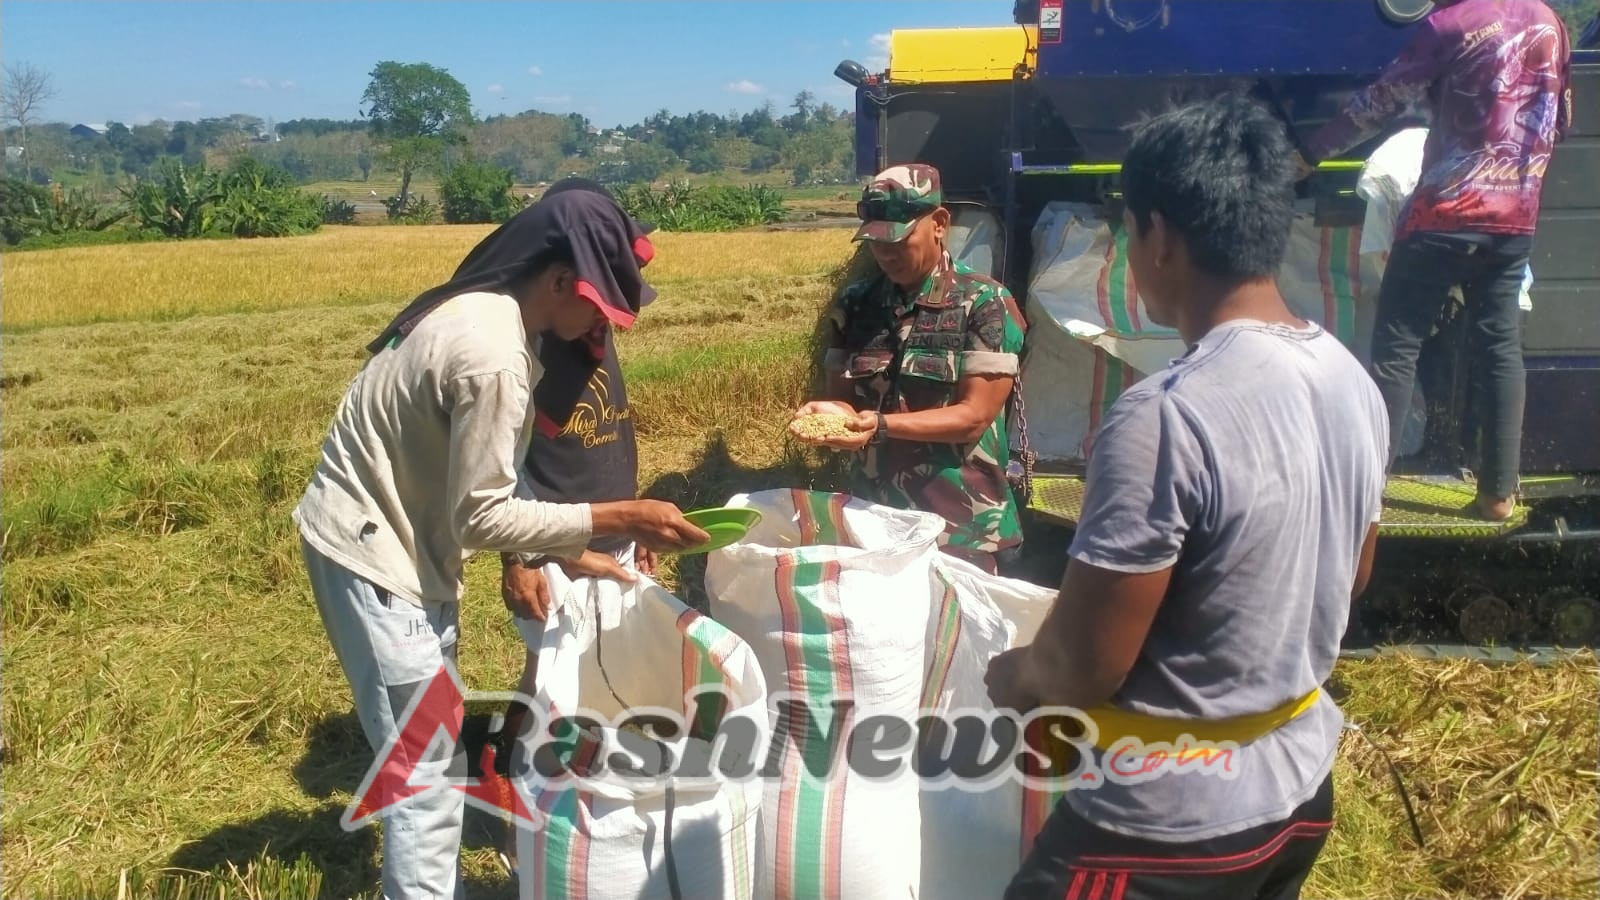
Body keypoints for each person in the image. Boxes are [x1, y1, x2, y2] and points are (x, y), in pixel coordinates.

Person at [986, 94, 1387, 900]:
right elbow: (1352, 575)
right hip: (1299, 787)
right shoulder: (1348, 376)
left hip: (1169, 825)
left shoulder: (1167, 413)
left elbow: (1085, 667)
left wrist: (1019, 675)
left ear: (1158, 234)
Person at [293, 187, 708, 900]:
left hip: (391, 543)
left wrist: (571, 551)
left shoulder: (477, 309)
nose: (603, 328)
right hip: (378, 559)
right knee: (427, 778)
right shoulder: (495, 358)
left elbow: (477, 492)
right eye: (600, 307)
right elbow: (480, 518)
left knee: (432, 754)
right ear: (556, 282)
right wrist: (620, 517)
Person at [1294, 0, 1573, 521]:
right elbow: (1559, 120)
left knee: (1397, 347)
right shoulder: (1550, 22)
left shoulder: (1451, 25)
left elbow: (1378, 102)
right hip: (1514, 216)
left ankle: (1366, 492)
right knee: (1499, 346)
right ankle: (1498, 495)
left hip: (1444, 215)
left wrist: (1308, 153)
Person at [492, 178, 656, 872]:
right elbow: (494, 469)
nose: (612, 317)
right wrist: (519, 556)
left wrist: (637, 520)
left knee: (598, 671)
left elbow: (609, 433)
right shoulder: (523, 342)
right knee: (545, 678)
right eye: (603, 299)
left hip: (611, 530)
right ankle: (505, 809)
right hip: (551, 541)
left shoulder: (589, 333)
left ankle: (576, 804)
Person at [789, 163, 1029, 575]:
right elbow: (844, 403)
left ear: (938, 224)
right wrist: (833, 417)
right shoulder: (856, 304)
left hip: (961, 530)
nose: (886, 253)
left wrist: (879, 425)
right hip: (875, 522)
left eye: (899, 239)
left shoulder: (984, 302)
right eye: (876, 242)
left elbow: (973, 418)